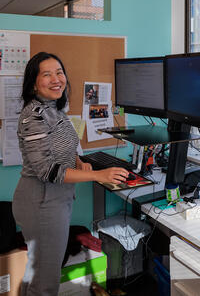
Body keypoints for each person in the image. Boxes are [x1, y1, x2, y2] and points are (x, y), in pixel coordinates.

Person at [12, 51, 129, 296]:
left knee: (39, 272)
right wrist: (99, 175)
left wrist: (78, 161)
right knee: (46, 283)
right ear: (34, 82)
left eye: (59, 72)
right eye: (47, 74)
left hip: (54, 200)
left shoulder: (54, 108)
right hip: (42, 202)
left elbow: (64, 145)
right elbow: (47, 171)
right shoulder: (33, 116)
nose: (56, 79)